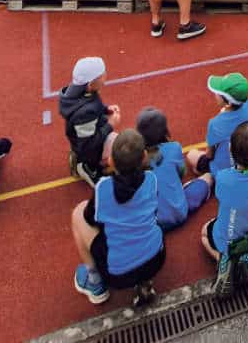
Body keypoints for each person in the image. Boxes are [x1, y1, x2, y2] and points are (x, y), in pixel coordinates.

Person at [72, 128, 165, 309]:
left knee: (77, 213)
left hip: (118, 275)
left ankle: (95, 282)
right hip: (156, 259)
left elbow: (90, 219)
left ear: (110, 161)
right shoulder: (151, 179)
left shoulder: (103, 188)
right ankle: (144, 283)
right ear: (145, 157)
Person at [202, 120, 248, 298]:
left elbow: (222, 196)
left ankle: (223, 259)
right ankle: (244, 258)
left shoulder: (223, 178)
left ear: (230, 152)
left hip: (225, 241)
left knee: (204, 232)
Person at [136, 108, 211, 232]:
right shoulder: (174, 148)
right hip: (180, 212)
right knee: (208, 177)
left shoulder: (136, 156)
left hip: (153, 222)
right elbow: (182, 173)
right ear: (165, 131)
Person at [60, 56, 119, 187]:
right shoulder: (85, 113)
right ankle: (86, 167)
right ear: (90, 84)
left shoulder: (79, 92)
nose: (105, 79)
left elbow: (94, 104)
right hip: (89, 149)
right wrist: (111, 125)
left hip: (88, 133)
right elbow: (88, 144)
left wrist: (105, 109)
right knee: (121, 155)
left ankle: (82, 157)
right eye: (102, 76)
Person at [201, 72, 248, 177]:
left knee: (191, 155)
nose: (215, 94)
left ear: (229, 103)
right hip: (244, 164)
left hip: (222, 170)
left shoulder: (215, 123)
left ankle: (210, 178)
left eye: (218, 94)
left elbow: (209, 154)